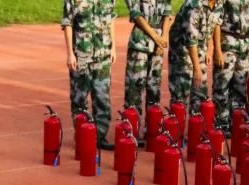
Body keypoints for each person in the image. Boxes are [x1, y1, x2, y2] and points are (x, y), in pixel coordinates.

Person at [62, 0, 117, 151]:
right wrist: (70, 53)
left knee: (102, 97)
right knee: (79, 98)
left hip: (103, 54)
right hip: (81, 55)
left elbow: (111, 20)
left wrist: (113, 47)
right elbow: (67, 24)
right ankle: (83, 136)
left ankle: (100, 137)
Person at [124, 0, 172, 137]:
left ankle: (151, 129)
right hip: (140, 43)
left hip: (158, 43)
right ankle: (132, 132)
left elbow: (167, 12)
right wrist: (156, 37)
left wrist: (163, 40)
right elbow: (136, 14)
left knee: (154, 88)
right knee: (134, 89)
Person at [212, 0, 249, 128]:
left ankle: (237, 123)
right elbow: (216, 22)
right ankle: (221, 124)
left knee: (241, 88)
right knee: (222, 86)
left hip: (246, 47)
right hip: (227, 45)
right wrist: (217, 50)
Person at [168, 0, 223, 112]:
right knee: (180, 95)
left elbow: (215, 23)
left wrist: (210, 49)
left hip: (200, 47)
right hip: (182, 50)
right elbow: (191, 40)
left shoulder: (218, 2)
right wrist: (197, 69)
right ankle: (176, 121)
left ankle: (196, 121)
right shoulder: (194, 5)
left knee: (200, 93)